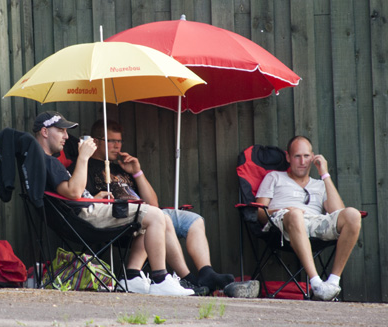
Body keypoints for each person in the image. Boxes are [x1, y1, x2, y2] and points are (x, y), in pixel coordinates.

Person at [77, 119, 252, 296]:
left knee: (194, 220)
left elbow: (153, 203)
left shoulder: (122, 168)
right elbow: (84, 199)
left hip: (147, 211)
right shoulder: (86, 166)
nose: (117, 146)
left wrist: (137, 172)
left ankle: (206, 272)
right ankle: (187, 279)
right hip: (122, 218)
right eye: (111, 141)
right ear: (96, 141)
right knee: (158, 217)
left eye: (120, 141)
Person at [33, 111, 194, 296]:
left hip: (86, 209)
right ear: (45, 132)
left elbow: (68, 196)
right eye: (61, 130)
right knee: (155, 215)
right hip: (84, 217)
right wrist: (84, 157)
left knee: (153, 219)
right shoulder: (47, 161)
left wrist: (93, 198)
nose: (66, 136)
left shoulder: (45, 161)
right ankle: (160, 279)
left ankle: (132, 277)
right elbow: (74, 192)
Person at [255, 135, 362, 301]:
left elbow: (338, 212)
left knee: (353, 215)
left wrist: (324, 174)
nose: (302, 161)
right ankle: (317, 283)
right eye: (297, 156)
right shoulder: (274, 177)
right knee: (296, 214)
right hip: (282, 224)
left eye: (306, 156)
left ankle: (333, 282)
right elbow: (260, 214)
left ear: (313, 158)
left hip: (314, 224)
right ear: (288, 157)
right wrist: (286, 210)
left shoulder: (320, 184)